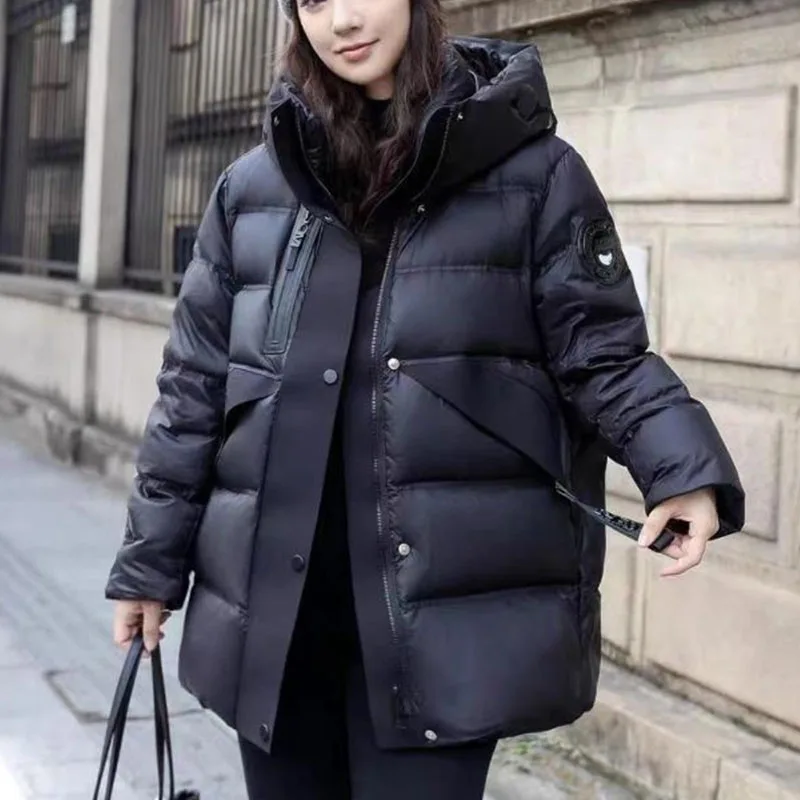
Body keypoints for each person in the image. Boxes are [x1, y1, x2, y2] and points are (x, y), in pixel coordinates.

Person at [105, 0, 745, 797]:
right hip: (275, 627)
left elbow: (601, 350)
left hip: (441, 623)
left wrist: (680, 468)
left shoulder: (535, 175)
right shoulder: (253, 190)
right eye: (313, 0)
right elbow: (194, 391)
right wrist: (148, 566)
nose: (341, 20)